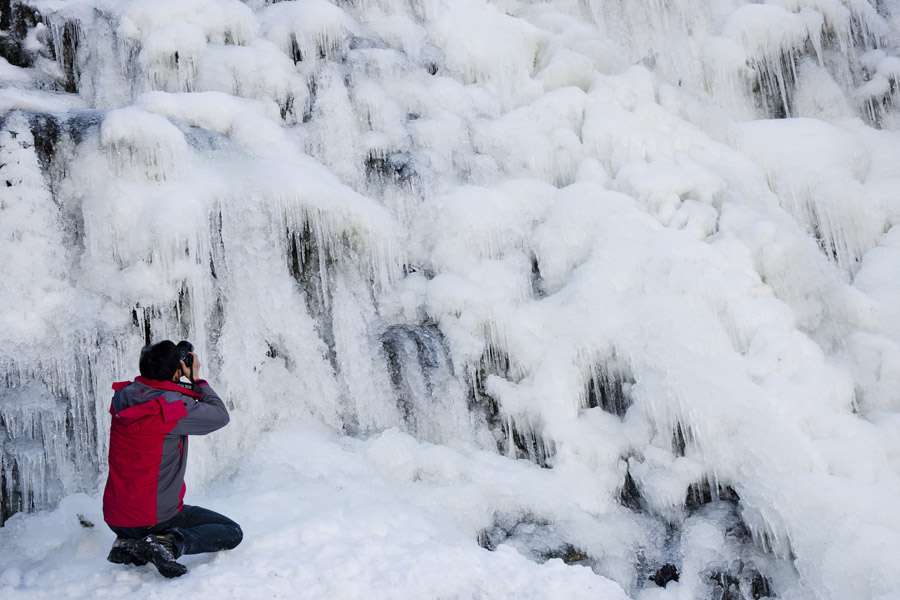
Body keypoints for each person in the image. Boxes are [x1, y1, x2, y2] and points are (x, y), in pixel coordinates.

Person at [102, 340, 242, 578]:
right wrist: (196, 380)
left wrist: (173, 376)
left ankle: (128, 543)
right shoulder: (171, 407)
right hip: (153, 519)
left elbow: (154, 389)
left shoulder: (123, 396)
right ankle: (168, 543)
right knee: (231, 531)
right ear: (177, 372)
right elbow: (220, 415)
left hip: (115, 518)